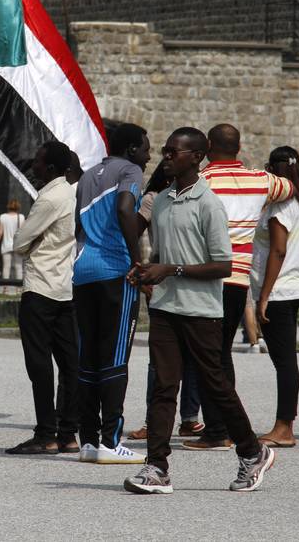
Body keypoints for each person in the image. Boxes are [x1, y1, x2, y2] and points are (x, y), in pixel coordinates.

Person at [124, 127, 275, 495]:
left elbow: (223, 265)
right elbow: (163, 254)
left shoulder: (209, 204)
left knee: (216, 386)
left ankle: (253, 452)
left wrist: (170, 270)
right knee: (163, 388)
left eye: (174, 151)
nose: (166, 156)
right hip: (165, 308)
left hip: (202, 311)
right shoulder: (160, 201)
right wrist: (146, 270)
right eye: (165, 150)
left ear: (197, 157)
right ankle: (156, 467)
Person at [186, 123, 294, 451]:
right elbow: (290, 188)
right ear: (239, 146)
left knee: (206, 355)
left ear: (207, 145)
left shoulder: (202, 181)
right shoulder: (261, 181)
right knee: (220, 354)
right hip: (238, 279)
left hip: (207, 276)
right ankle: (225, 426)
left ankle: (218, 429)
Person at [72, 122, 150, 464]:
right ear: (132, 149)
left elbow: (79, 225)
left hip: (83, 269)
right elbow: (123, 208)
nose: (149, 155)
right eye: (146, 148)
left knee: (88, 357)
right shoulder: (131, 170)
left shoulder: (88, 175)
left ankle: (88, 441)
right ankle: (110, 440)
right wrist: (138, 259)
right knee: (115, 356)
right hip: (115, 270)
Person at [4, 142, 79, 456]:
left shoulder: (49, 197)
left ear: (49, 168)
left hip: (41, 287)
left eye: (37, 160)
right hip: (66, 286)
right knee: (70, 364)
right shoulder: (75, 193)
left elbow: (20, 242)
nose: (32, 163)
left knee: (39, 363)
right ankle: (68, 432)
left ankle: (46, 432)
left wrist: (28, 240)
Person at [128, 161, 203, 442]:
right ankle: (153, 420)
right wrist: (142, 271)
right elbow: (131, 232)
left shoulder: (197, 197)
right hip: (161, 279)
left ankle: (189, 418)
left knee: (193, 355)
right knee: (160, 358)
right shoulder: (153, 199)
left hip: (191, 277)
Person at [249, 146, 299, 447]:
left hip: (279, 290)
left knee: (285, 361)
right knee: (285, 361)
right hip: (291, 287)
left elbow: (278, 249)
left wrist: (263, 297)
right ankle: (284, 423)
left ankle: (284, 427)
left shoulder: (280, 206)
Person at [0, 199, 25, 280]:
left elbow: (0, 233)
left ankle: (5, 287)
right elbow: (23, 232)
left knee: (6, 267)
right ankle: (19, 288)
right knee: (18, 267)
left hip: (6, 245)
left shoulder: (3, 217)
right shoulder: (21, 217)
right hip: (17, 245)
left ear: (8, 206)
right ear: (18, 207)